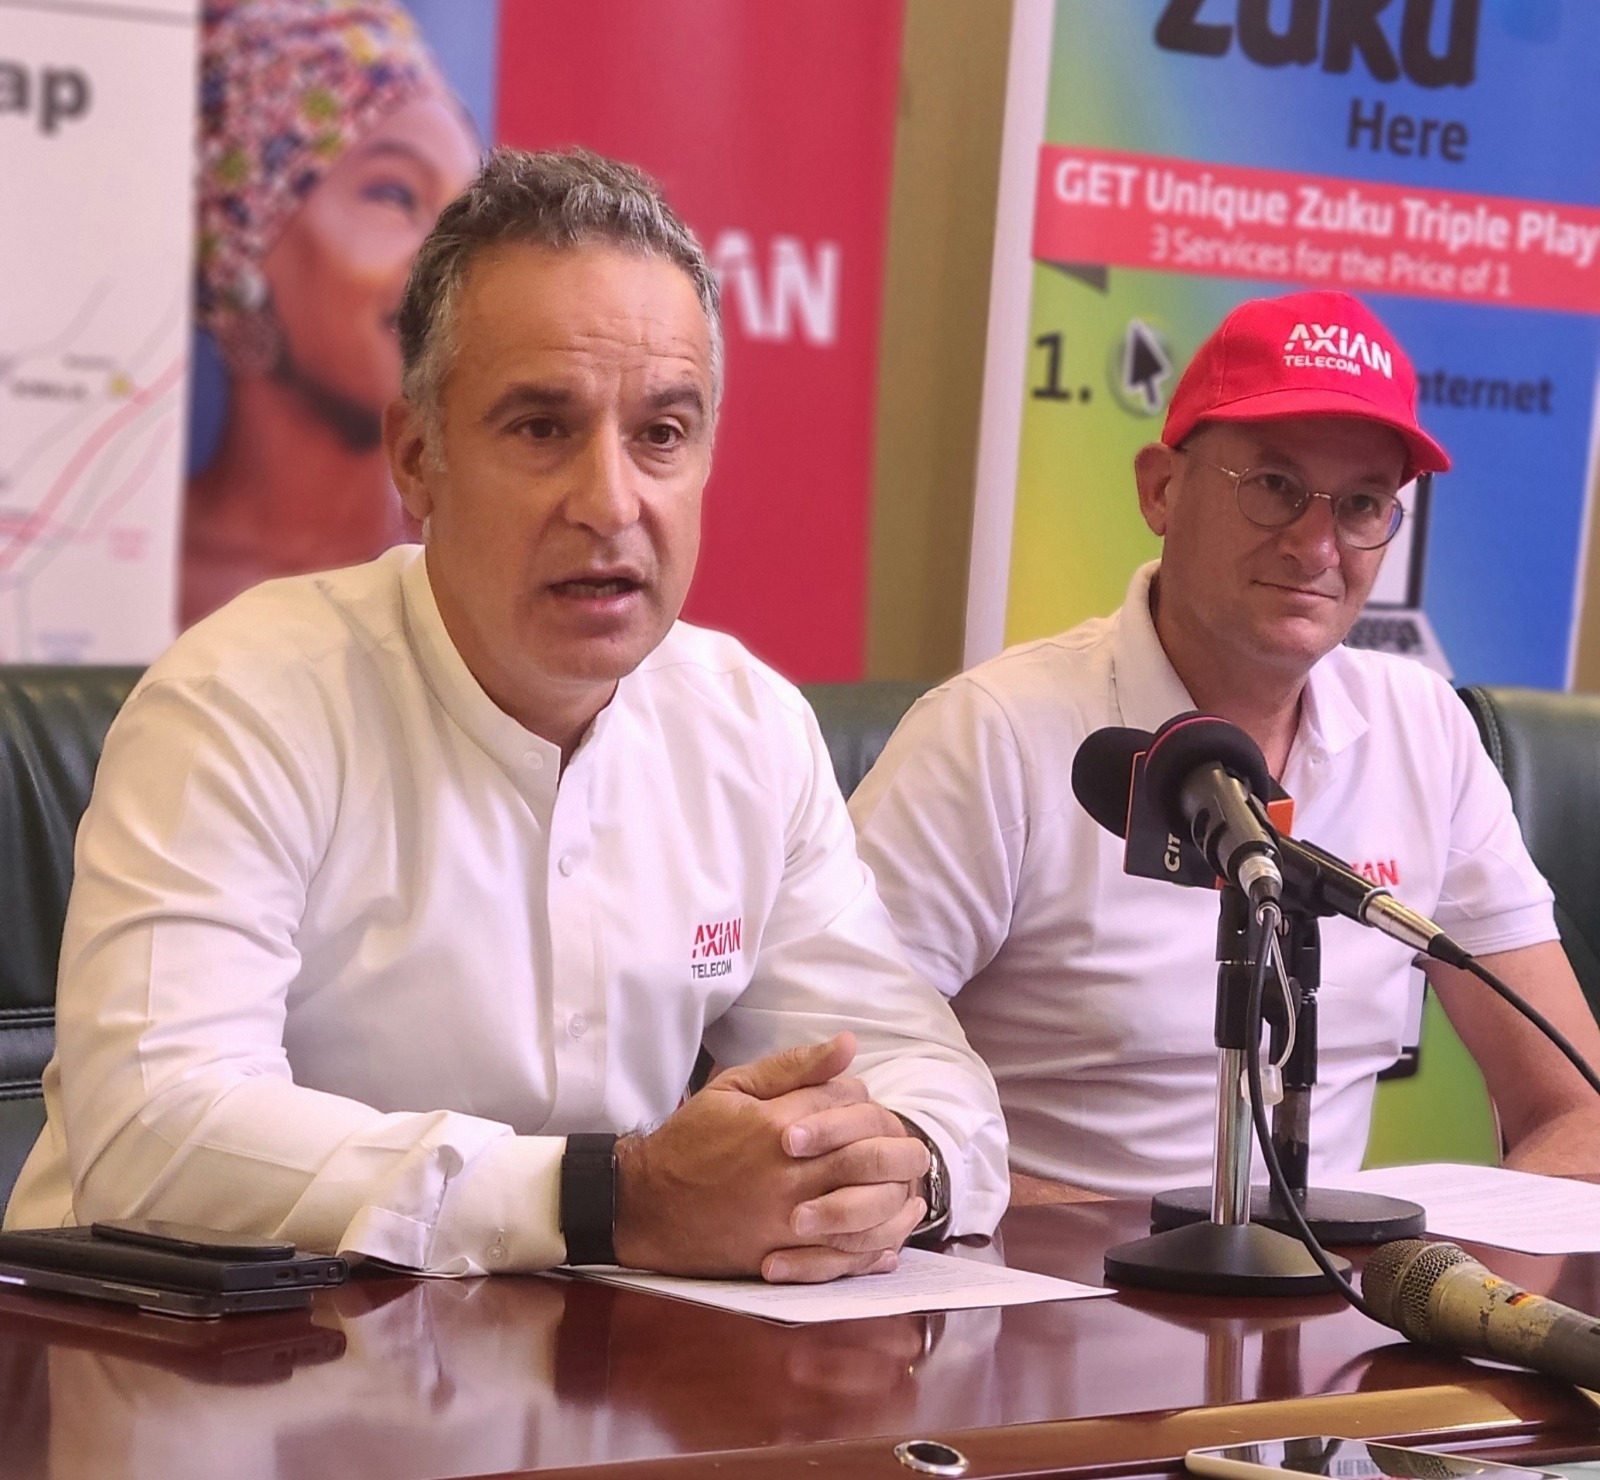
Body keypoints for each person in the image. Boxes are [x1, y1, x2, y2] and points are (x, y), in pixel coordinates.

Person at [5, 148, 1009, 1281]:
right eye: (541, 428)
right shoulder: (243, 701)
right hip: (182, 1360)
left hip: (588, 1359)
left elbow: (931, 1083)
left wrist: (884, 1177)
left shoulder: (748, 727)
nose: (611, 502)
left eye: (662, 434)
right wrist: (610, 1199)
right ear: (416, 458)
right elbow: (157, 1133)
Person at [851, 290, 1600, 1203]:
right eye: (1275, 486)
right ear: (1161, 489)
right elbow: (832, 1081)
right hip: (1046, 1274)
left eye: (1363, 504)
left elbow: (1579, 1110)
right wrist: (1104, 1250)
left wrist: (1446, 1267)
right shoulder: (992, 736)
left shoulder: (1425, 732)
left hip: (1329, 1279)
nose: (1317, 545)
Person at [182, 0, 480, 628]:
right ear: (243, 240)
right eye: (395, 195)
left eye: (466, 217)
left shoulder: (492, 578)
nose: (449, 263)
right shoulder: (138, 580)